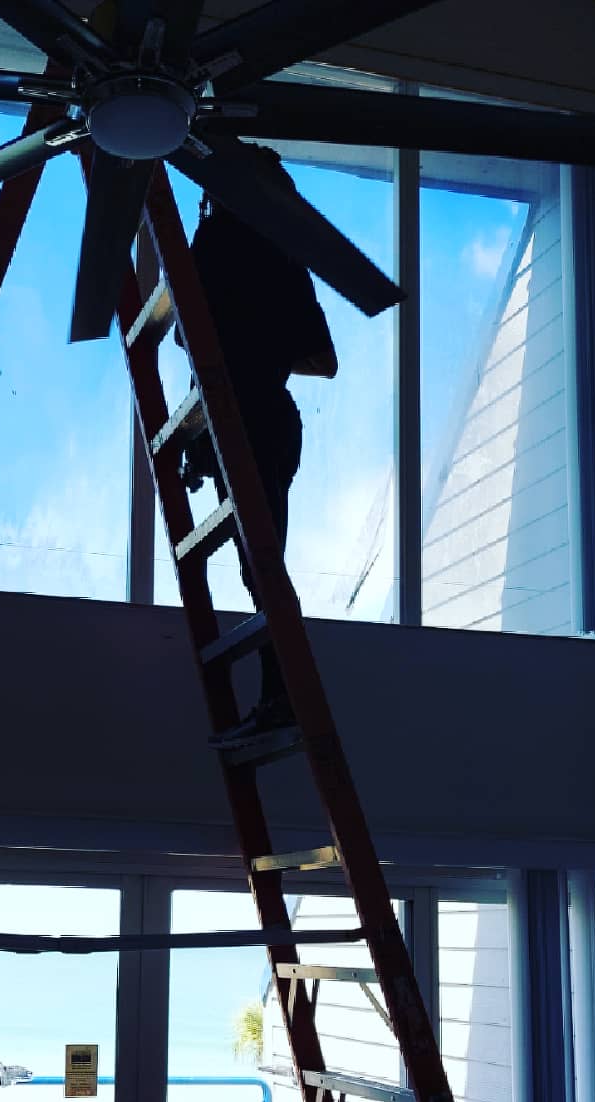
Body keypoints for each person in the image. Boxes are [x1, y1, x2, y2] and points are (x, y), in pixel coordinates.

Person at [179, 145, 338, 737]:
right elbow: (321, 359)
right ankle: (280, 698)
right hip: (267, 419)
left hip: (253, 421)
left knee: (262, 569)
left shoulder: (217, 241)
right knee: (263, 565)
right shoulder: (281, 257)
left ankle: (284, 700)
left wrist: (244, 351)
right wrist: (264, 349)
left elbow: (191, 346)